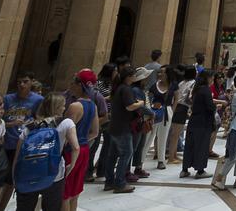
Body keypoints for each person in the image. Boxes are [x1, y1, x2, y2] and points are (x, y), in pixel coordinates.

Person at [13, 94, 78, 211]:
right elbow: (76, 148)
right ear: (57, 107)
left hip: (29, 175)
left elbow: (18, 156)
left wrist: (15, 177)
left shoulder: (29, 127)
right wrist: (71, 165)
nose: (64, 109)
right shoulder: (66, 123)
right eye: (63, 106)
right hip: (54, 174)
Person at [0, 71, 43, 211]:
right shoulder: (7, 99)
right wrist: (11, 125)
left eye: (25, 81)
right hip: (4, 143)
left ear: (31, 82)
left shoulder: (37, 100)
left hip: (20, 145)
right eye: (19, 82)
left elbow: (38, 120)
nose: (21, 85)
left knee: (11, 181)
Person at [103, 64, 143, 194]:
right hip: (122, 127)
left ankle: (109, 182)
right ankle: (120, 183)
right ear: (129, 77)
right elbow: (130, 107)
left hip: (114, 126)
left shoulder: (118, 88)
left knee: (113, 155)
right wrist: (140, 103)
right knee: (126, 153)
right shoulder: (126, 89)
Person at [62, 72, 98, 211]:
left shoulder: (75, 106)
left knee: (64, 193)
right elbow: (94, 132)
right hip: (83, 150)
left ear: (79, 85)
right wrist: (81, 140)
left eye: (73, 82)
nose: (70, 85)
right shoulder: (93, 106)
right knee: (75, 192)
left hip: (70, 152)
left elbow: (65, 132)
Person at [181, 70, 217, 179]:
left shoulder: (196, 89)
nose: (213, 80)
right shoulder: (205, 89)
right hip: (203, 121)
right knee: (201, 145)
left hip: (194, 119)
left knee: (190, 144)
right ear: (207, 78)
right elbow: (210, 107)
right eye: (212, 78)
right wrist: (216, 108)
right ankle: (200, 171)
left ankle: (185, 169)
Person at [165, 66, 195, 166]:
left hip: (176, 106)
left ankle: (173, 155)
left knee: (175, 133)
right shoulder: (193, 83)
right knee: (176, 134)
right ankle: (171, 158)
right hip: (183, 107)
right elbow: (190, 97)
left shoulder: (181, 82)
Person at [148, 66, 174, 171]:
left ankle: (161, 160)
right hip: (154, 112)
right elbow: (148, 97)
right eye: (159, 72)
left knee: (163, 137)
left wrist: (173, 110)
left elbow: (177, 97)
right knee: (149, 136)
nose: (160, 74)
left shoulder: (173, 85)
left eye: (162, 72)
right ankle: (140, 162)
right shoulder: (154, 85)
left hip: (167, 112)